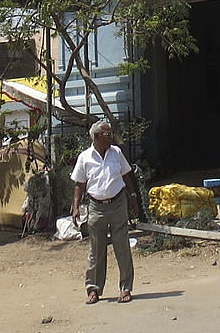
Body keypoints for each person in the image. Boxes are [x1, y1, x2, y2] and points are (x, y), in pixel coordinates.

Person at [71, 119, 142, 305]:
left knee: (122, 248)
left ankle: (125, 288)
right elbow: (79, 184)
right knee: (96, 251)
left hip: (118, 203)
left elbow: (126, 175)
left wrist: (133, 196)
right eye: (106, 134)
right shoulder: (85, 157)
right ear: (95, 137)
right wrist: (76, 206)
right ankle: (93, 289)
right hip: (96, 207)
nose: (110, 137)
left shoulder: (116, 153)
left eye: (110, 134)